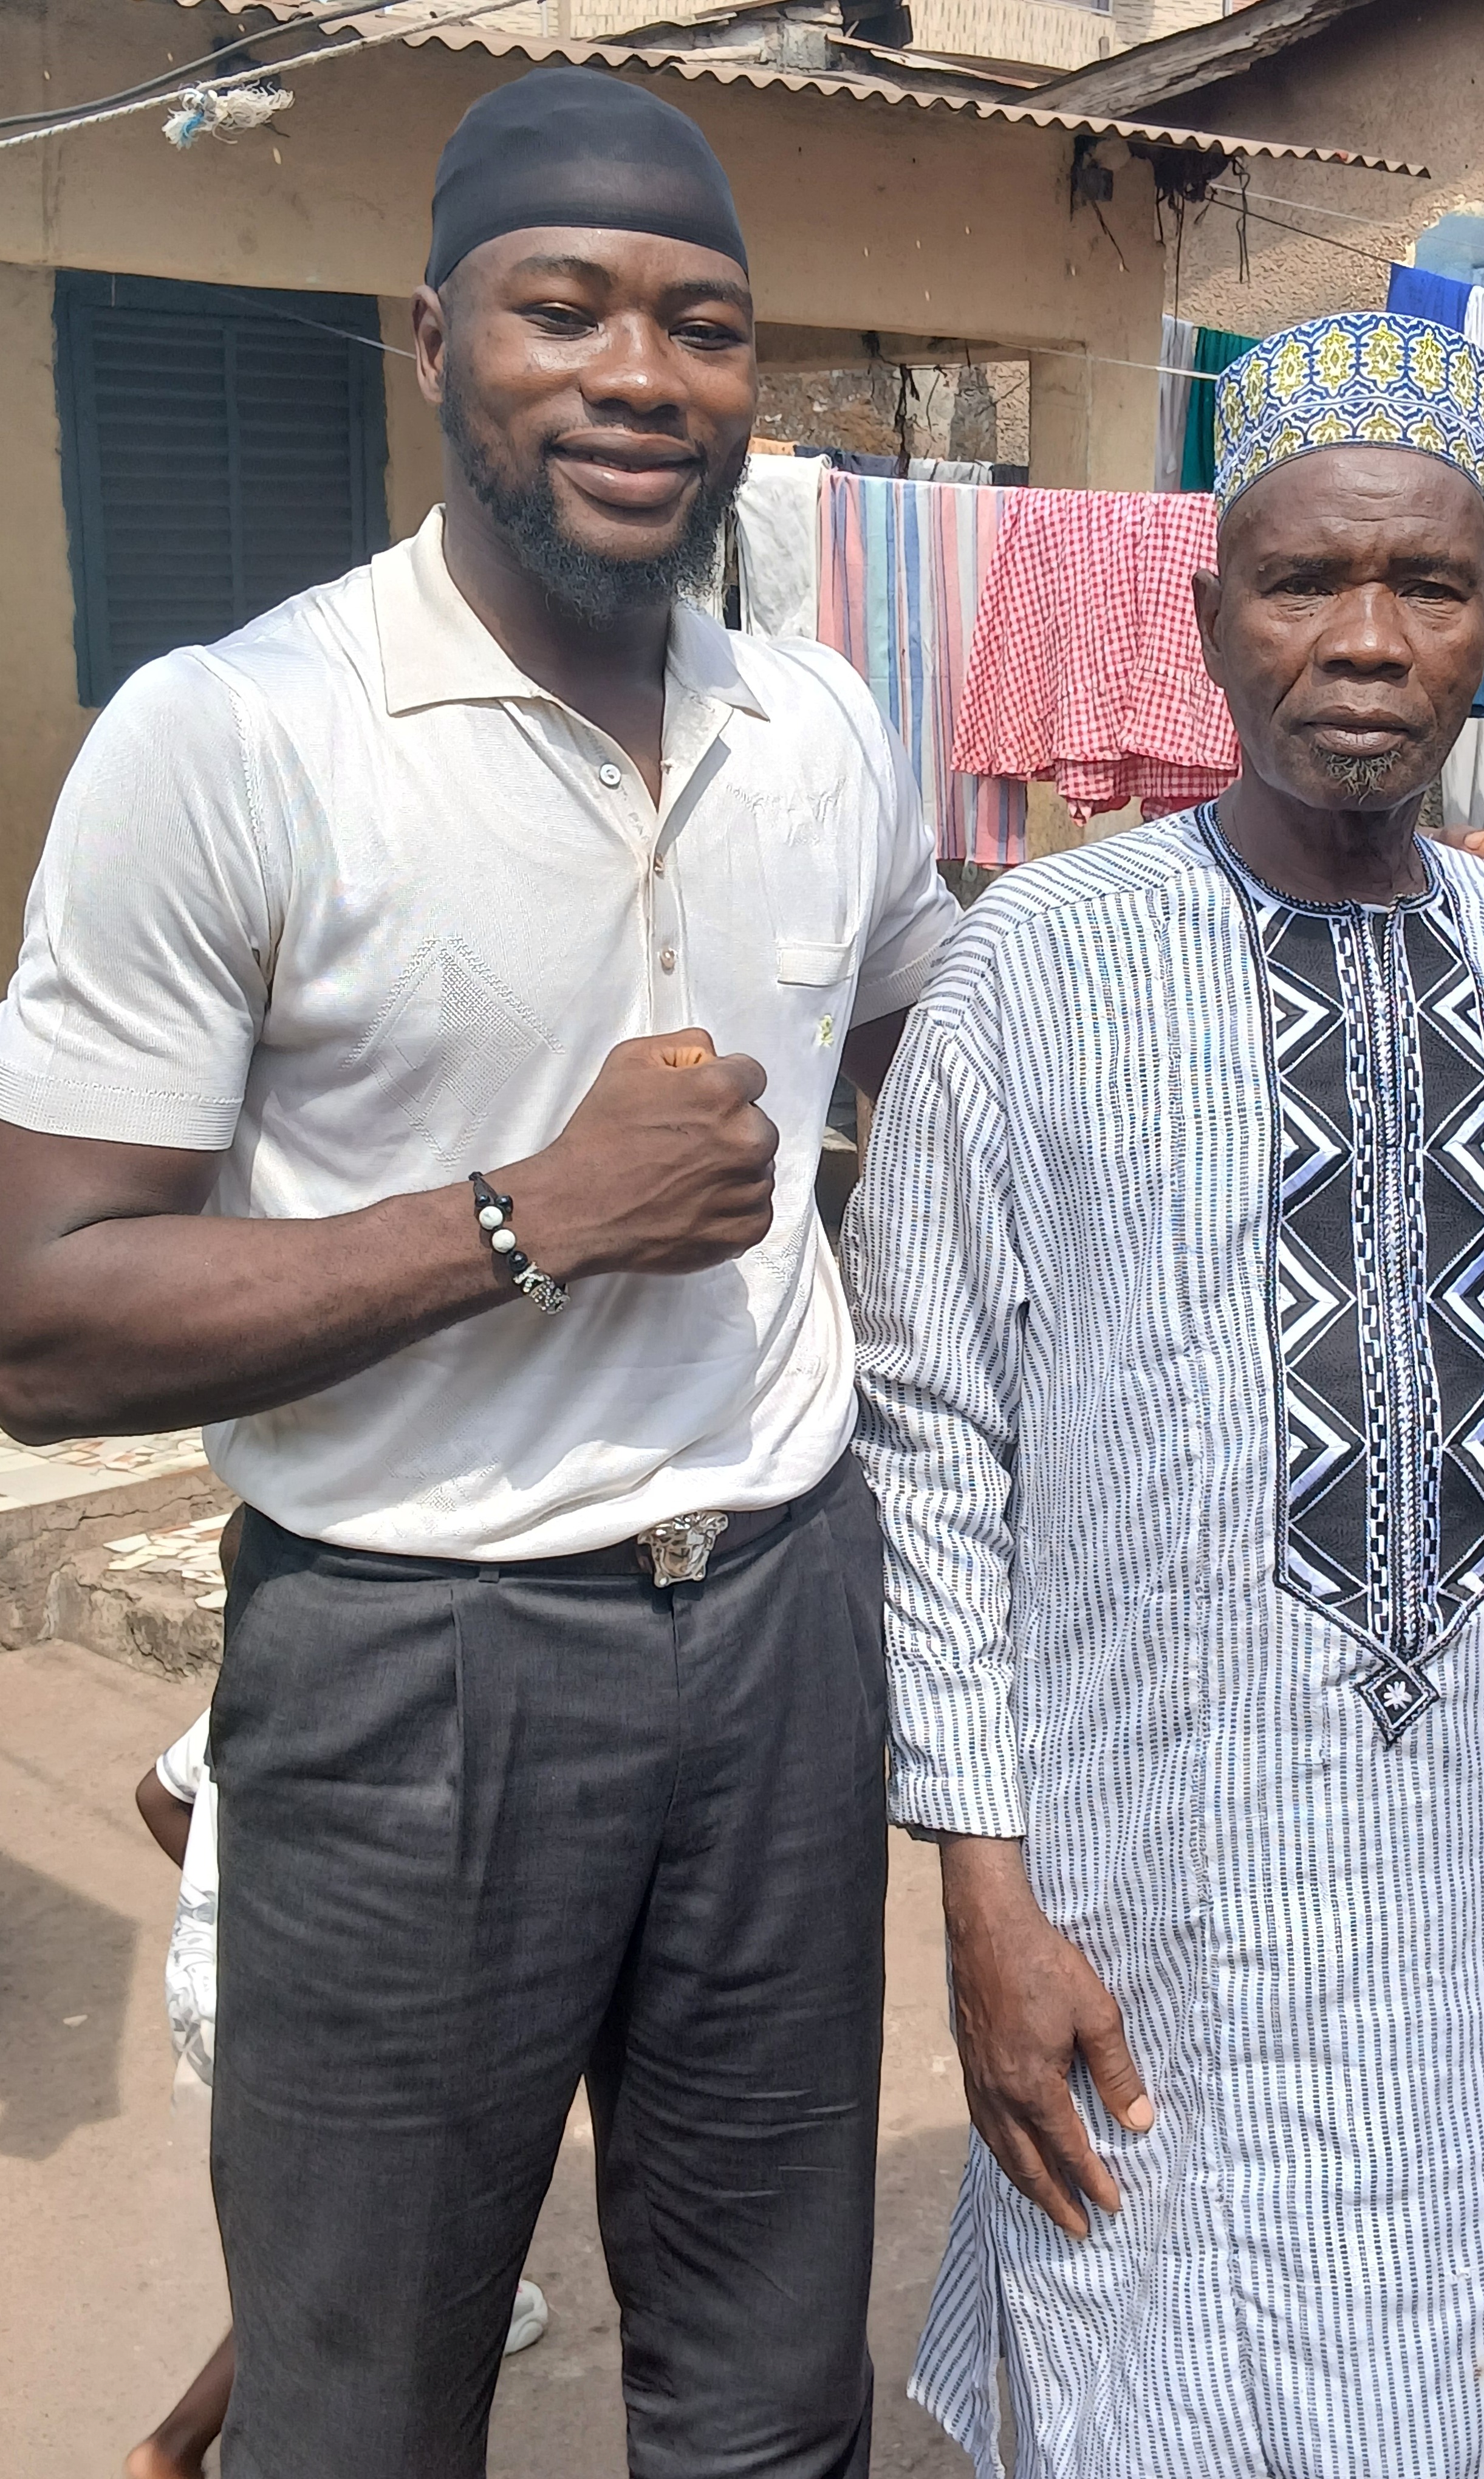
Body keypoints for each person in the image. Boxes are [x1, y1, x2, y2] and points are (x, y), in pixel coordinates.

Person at [0, 67, 958, 2479]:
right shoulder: (239, 737)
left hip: (783, 1632)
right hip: (415, 1667)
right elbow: (43, 1313)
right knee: (361, 2408)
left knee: (769, 2391)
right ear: (435, 339)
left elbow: (963, 1020)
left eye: (703, 325)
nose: (642, 376)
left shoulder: (820, 720)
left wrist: (1392, 909)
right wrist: (530, 1219)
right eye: (567, 309)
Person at [845, 310, 1484, 2479]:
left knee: (1457, 2391)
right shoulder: (1032, 967)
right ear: (1203, 616)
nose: (1363, 640)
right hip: (1149, 1900)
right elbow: (929, 1441)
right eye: (1302, 580)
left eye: (1424, 587)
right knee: (1148, 2366)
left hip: (1482, 1894)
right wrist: (980, 1891)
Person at [124, 1524, 548, 2479]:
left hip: (218, 1980)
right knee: (337, 2263)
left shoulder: (241, 1707)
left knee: (300, 2223)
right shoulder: (381, 1718)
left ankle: (479, 2294)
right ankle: (175, 2444)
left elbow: (156, 1798)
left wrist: (233, 1899)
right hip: (310, 1991)